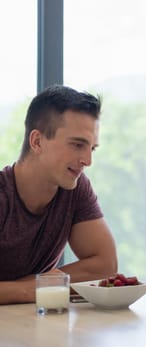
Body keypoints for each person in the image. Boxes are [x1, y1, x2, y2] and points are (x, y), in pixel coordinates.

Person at [0, 85, 118, 304]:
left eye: (91, 148)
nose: (87, 161)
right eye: (77, 145)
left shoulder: (74, 187)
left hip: (32, 324)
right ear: (37, 142)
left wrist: (25, 288)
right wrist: (36, 288)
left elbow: (105, 267)